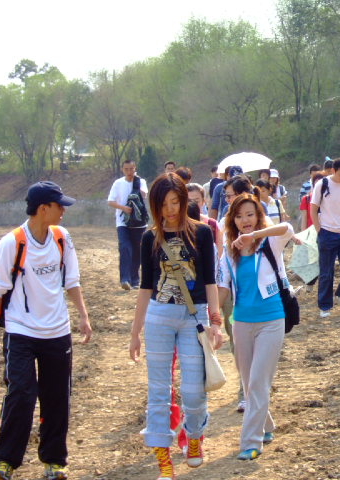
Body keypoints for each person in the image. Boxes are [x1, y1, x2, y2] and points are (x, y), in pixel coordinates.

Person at [0, 181, 92, 480]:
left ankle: (54, 461)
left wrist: (83, 316)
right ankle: (5, 461)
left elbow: (72, 280)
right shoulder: (12, 242)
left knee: (57, 396)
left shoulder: (62, 237)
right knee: (21, 393)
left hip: (57, 331)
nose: (64, 210)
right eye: (59, 205)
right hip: (21, 330)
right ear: (43, 209)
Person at [129, 173, 223, 477]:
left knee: (194, 390)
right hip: (159, 316)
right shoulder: (150, 237)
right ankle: (163, 459)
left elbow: (210, 280)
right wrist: (135, 332)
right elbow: (146, 287)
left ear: (183, 201)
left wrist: (216, 321)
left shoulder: (202, 233)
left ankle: (193, 436)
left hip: (194, 317)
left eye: (175, 202)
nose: (170, 210)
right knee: (159, 391)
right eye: (163, 204)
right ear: (155, 206)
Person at [217, 193, 294, 460]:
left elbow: (288, 228)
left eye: (250, 214)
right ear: (232, 220)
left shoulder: (270, 241)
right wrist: (212, 318)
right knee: (249, 382)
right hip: (241, 323)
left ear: (259, 216)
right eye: (239, 216)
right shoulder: (229, 250)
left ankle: (251, 442)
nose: (244, 220)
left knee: (259, 381)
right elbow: (222, 287)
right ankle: (266, 425)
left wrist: (256, 235)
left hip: (271, 320)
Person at [310, 157, 340, 317]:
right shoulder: (322, 184)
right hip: (327, 233)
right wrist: (319, 230)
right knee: (326, 272)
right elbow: (313, 208)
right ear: (333, 170)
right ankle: (324, 306)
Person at [107, 159, 148, 290]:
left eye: (131, 169)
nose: (129, 171)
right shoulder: (118, 183)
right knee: (125, 248)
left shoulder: (141, 181)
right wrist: (123, 208)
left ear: (135, 168)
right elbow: (110, 201)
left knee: (137, 251)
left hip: (139, 223)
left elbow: (144, 195)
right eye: (126, 169)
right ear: (122, 170)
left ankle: (135, 280)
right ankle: (125, 279)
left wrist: (137, 184)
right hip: (122, 222)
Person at [187, 183, 223, 255]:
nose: (193, 204)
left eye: (196, 201)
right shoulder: (175, 224)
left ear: (203, 201)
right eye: (188, 201)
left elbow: (220, 253)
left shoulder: (212, 224)